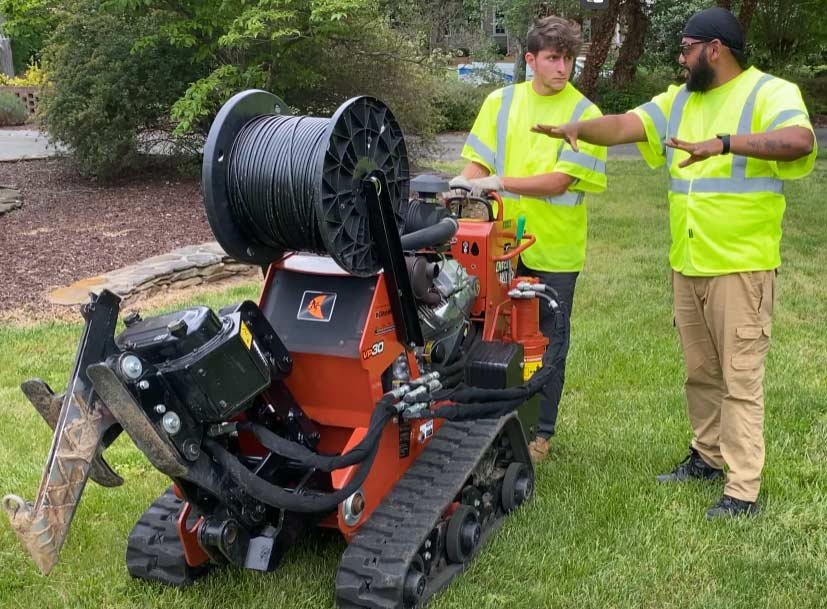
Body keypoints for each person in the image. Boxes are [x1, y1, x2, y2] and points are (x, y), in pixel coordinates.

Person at [532, 7, 816, 518]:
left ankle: (743, 488)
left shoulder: (770, 93)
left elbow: (801, 141)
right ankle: (707, 457)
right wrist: (580, 128)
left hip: (741, 264)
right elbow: (626, 125)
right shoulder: (680, 99)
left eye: (685, 48)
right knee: (701, 373)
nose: (680, 59)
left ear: (714, 48)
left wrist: (723, 144)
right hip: (688, 261)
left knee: (740, 378)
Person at [449, 16, 607, 464]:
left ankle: (540, 433)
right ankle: (487, 419)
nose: (563, 68)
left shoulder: (586, 116)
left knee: (547, 339)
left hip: (554, 250)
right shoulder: (500, 102)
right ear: (531, 59)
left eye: (569, 59)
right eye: (554, 58)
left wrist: (501, 181)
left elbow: (559, 181)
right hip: (496, 246)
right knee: (484, 330)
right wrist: (461, 185)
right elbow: (476, 164)